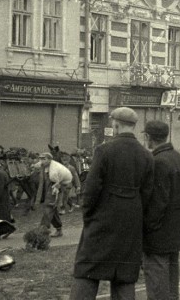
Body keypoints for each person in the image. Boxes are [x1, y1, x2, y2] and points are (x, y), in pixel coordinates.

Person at [70, 107, 154, 300]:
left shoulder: (104, 150)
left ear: (115, 125)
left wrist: (89, 216)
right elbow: (148, 194)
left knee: (87, 270)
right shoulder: (146, 155)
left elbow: (91, 190)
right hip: (131, 221)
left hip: (102, 219)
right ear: (134, 126)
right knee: (124, 276)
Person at [142, 120, 180, 300]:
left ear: (148, 137)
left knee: (157, 285)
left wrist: (147, 227)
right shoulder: (176, 157)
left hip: (159, 234)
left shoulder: (158, 161)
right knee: (171, 283)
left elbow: (158, 201)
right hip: (174, 231)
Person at [34, 152, 72, 237]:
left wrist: (59, 186)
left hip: (54, 194)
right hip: (46, 193)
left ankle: (42, 231)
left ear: (50, 159)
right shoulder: (43, 168)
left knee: (48, 210)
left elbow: (65, 182)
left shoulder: (56, 169)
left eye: (44, 159)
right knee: (53, 212)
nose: (42, 161)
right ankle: (59, 229)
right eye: (41, 159)